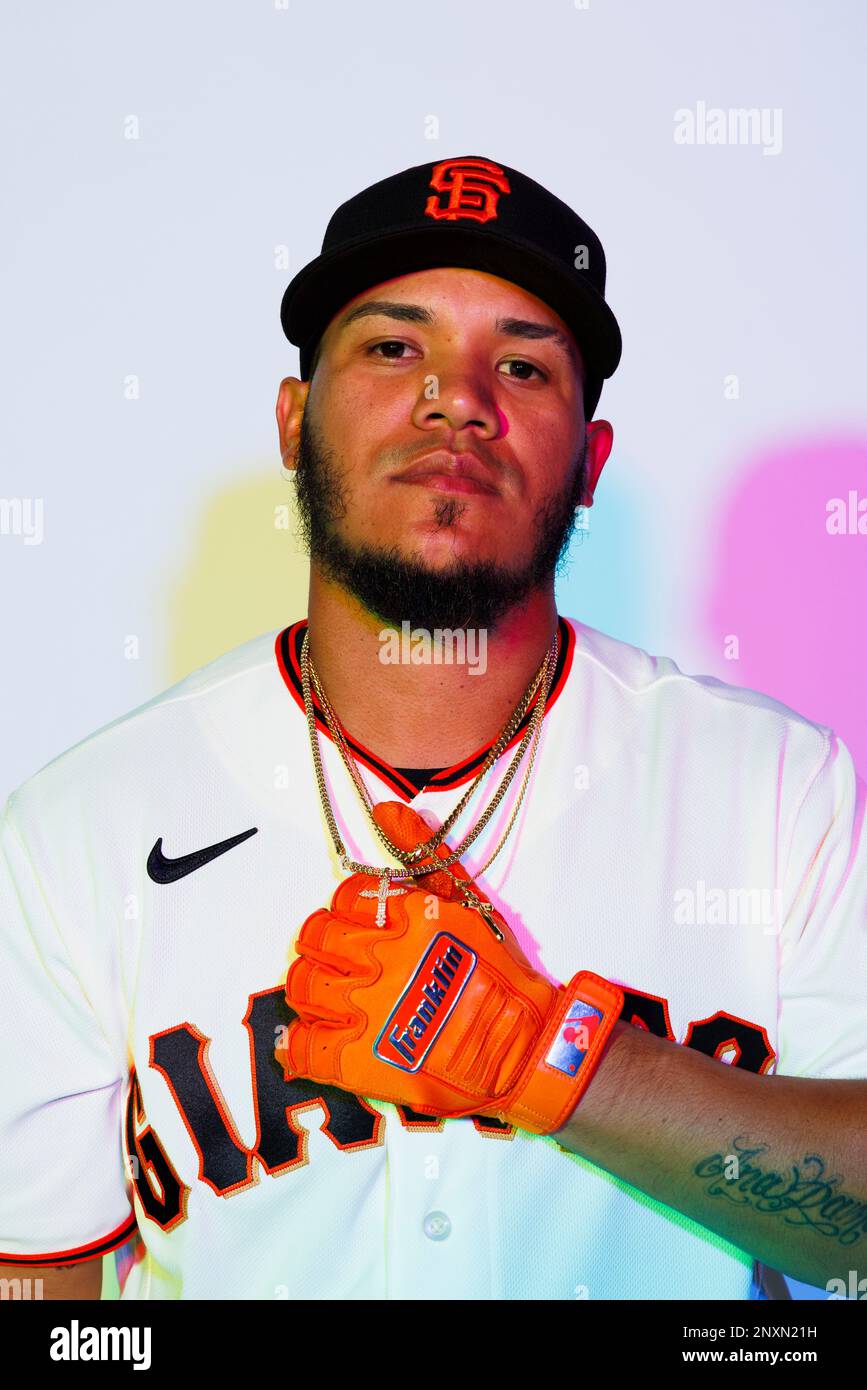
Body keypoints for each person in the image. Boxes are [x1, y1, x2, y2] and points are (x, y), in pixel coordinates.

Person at [1, 155, 865, 1302]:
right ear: (294, 419)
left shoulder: (778, 788)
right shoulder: (82, 826)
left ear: (590, 463)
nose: (459, 397)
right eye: (393, 347)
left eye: (521, 363)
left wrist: (559, 1065)